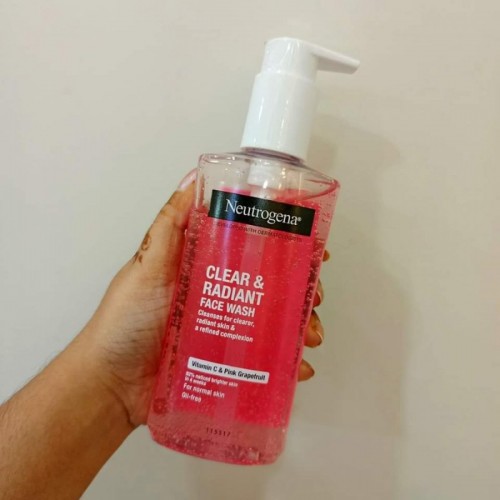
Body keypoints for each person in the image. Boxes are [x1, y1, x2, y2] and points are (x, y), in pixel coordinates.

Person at [0, 171, 327, 499]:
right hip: (178, 387)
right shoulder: (222, 174)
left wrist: (112, 383)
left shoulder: (313, 196)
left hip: (237, 421)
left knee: (282, 306)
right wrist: (110, 378)